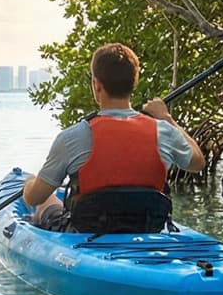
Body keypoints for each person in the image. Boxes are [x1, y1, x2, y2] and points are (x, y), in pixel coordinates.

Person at [21, 42, 206, 233]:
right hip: (147, 228)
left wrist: (28, 185)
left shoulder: (72, 137)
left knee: (46, 204)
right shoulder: (164, 132)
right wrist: (167, 118)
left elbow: (33, 198)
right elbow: (197, 163)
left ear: (97, 85)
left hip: (88, 233)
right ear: (134, 82)